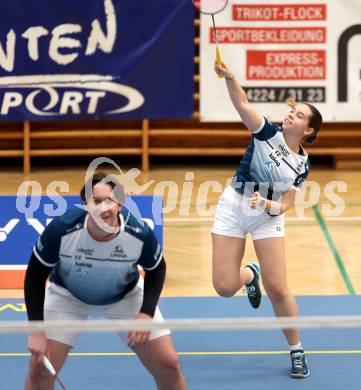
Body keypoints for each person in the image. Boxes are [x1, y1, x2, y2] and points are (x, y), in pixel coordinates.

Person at [24, 172, 187, 390]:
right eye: (96, 201)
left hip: (125, 296)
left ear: (120, 203)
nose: (102, 208)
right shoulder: (62, 229)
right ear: (85, 205)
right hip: (68, 296)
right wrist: (37, 330)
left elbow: (157, 269)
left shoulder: (138, 233)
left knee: (169, 365)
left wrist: (146, 313)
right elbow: (34, 276)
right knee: (39, 370)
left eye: (109, 200)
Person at [212, 62, 323, 378]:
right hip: (233, 205)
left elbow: (286, 204)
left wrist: (267, 204)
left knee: (277, 287)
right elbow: (242, 103)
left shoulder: (302, 164)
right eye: (292, 111)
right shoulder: (266, 132)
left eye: (299, 115)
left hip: (266, 216)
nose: (291, 115)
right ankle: (249, 275)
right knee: (222, 286)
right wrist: (231, 78)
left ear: (309, 130)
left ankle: (297, 350)